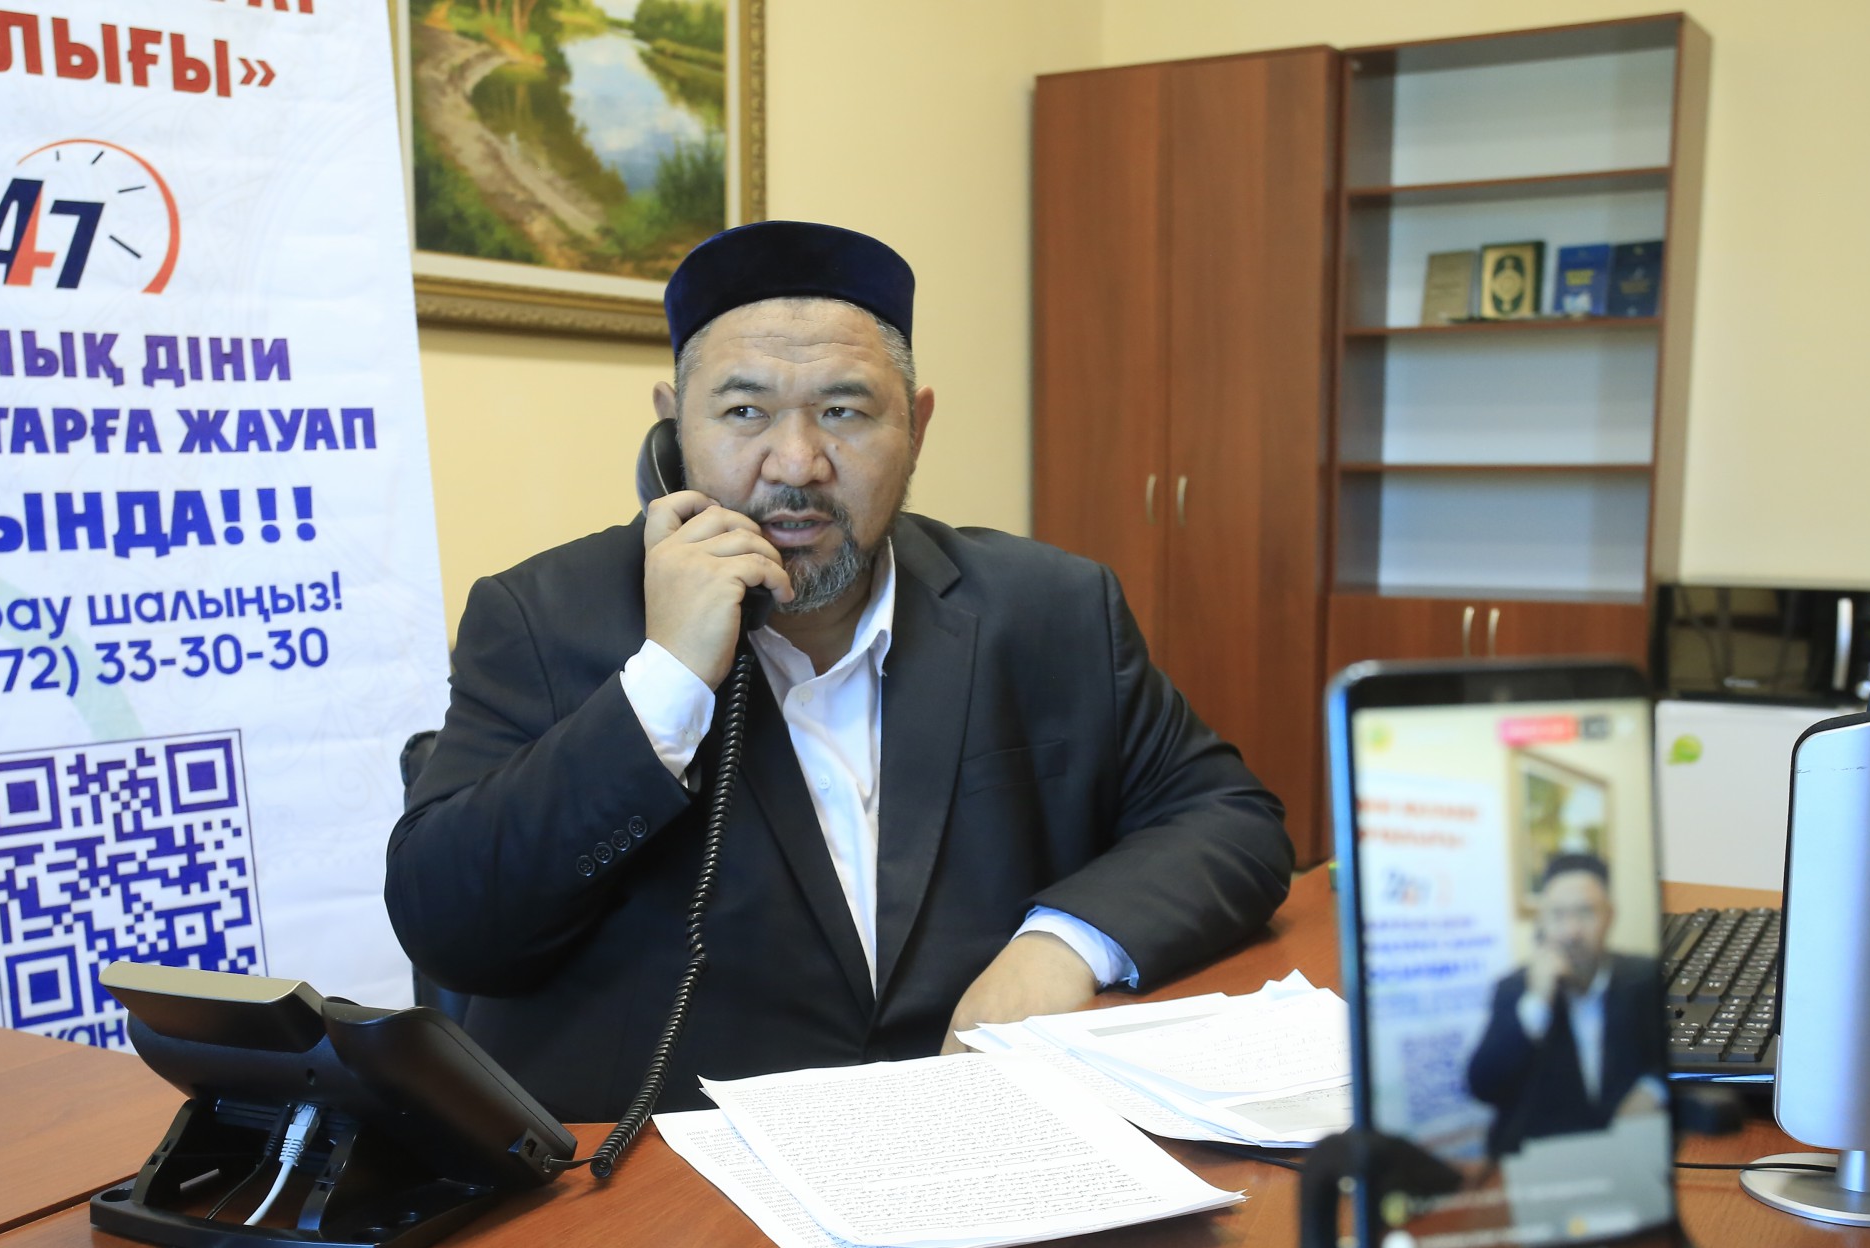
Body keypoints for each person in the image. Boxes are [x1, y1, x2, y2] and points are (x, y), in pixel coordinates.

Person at [386, 220, 1294, 1120]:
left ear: (917, 426)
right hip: (675, 1179)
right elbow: (450, 930)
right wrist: (667, 681)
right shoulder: (541, 617)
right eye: (744, 413)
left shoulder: (1048, 607)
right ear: (673, 428)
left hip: (979, 1133)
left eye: (844, 412)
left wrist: (1062, 946)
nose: (797, 463)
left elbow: (1230, 819)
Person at [1466, 853, 1667, 1160]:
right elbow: (1483, 1086)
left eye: (1585, 912)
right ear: (1542, 923)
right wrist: (1537, 1004)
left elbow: (1680, 1054)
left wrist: (1653, 1089)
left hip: (1628, 1152)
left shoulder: (1646, 978)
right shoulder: (1514, 989)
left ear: (1610, 916)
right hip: (1542, 1160)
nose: (1571, 931)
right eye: (1558, 914)